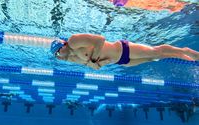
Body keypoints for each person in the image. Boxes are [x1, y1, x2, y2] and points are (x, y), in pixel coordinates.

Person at [50, 34, 199, 70]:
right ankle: (179, 55)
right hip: (122, 62)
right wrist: (96, 64)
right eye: (56, 56)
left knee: (156, 52)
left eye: (57, 53)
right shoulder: (72, 58)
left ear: (62, 45)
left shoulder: (74, 41)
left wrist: (94, 60)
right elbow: (94, 66)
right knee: (152, 59)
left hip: (123, 49)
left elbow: (100, 40)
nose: (59, 57)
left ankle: (185, 51)